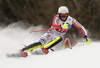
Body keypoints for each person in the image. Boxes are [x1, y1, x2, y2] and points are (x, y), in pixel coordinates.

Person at [20, 6, 91, 57]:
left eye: (65, 15)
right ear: (59, 15)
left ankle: (45, 48)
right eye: (61, 15)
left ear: (67, 15)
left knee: (60, 38)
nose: (63, 17)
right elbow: (53, 25)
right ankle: (24, 49)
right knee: (40, 42)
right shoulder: (56, 17)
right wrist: (61, 26)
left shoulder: (71, 20)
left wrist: (86, 36)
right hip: (51, 32)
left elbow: (81, 27)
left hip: (58, 35)